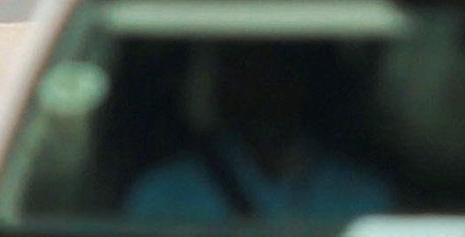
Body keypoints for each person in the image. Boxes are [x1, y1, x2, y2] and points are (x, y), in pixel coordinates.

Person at [122, 45, 391, 225]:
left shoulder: (362, 196)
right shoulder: (165, 193)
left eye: (280, 73)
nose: (265, 89)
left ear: (306, 85)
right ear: (223, 88)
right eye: (248, 73)